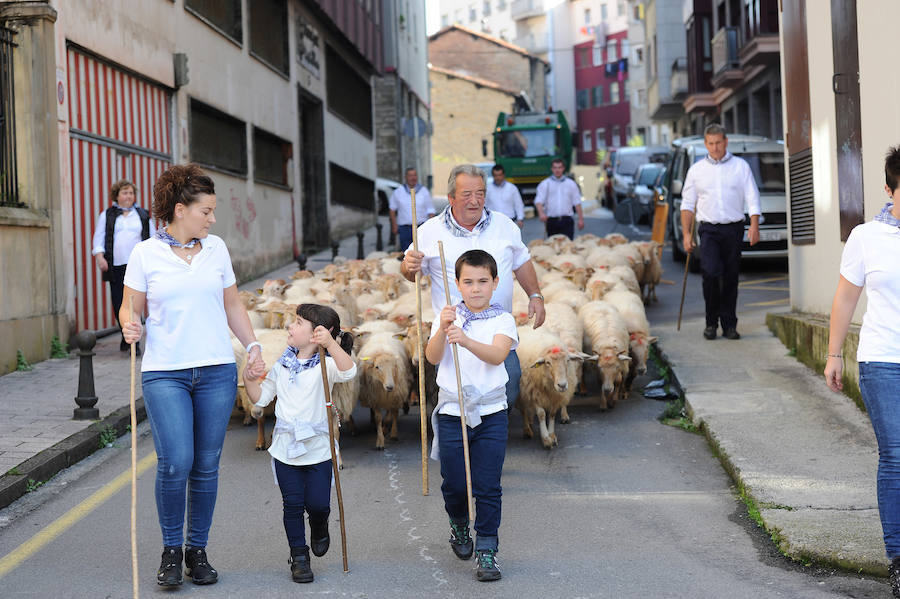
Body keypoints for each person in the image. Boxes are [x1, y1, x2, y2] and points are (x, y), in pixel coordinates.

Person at [120, 163, 265, 588]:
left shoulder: (216, 249)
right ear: (181, 209)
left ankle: (196, 551)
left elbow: (232, 305)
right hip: (165, 372)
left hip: (217, 370)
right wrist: (130, 323)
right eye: (207, 210)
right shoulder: (145, 253)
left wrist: (253, 346)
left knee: (206, 465)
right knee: (175, 461)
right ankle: (170, 551)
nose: (213, 218)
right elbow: (131, 307)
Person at [400, 163, 546, 410]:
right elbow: (410, 273)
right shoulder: (428, 231)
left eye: (480, 193)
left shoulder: (504, 225)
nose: (474, 201)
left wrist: (535, 295)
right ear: (451, 197)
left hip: (497, 330)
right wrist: (408, 265)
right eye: (466, 194)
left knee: (507, 388)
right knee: (455, 396)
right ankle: (464, 435)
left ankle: (488, 431)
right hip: (453, 332)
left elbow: (521, 262)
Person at [825, 145, 900, 598]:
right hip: (883, 360)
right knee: (896, 454)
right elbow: (845, 298)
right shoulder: (866, 237)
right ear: (889, 190)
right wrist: (834, 354)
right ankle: (898, 558)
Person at [242, 304, 356, 584]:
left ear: (318, 332)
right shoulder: (282, 365)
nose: (289, 327)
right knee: (292, 505)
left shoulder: (328, 365)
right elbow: (261, 398)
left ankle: (319, 523)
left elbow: (350, 371)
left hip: (318, 450)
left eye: (298, 322)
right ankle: (299, 556)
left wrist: (330, 344)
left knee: (317, 504)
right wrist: (248, 378)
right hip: (285, 449)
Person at [424, 250, 517, 582]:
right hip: (452, 412)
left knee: (488, 485)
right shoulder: (446, 316)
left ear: (495, 283)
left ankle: (487, 550)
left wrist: (464, 339)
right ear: (458, 284)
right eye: (468, 282)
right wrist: (443, 330)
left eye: (482, 281)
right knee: (454, 481)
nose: (475, 288)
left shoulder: (502, 319)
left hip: (492, 412)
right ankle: (459, 524)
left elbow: (497, 355)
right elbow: (432, 357)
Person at [680, 123, 760, 341]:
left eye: (718, 143)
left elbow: (752, 197)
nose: (715, 147)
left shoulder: (740, 166)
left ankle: (729, 324)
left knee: (731, 277)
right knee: (712, 274)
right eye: (711, 143)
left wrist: (754, 225)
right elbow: (687, 204)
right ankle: (710, 322)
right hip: (708, 230)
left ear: (726, 142)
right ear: (706, 144)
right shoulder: (696, 170)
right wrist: (686, 234)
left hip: (733, 228)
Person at [91, 179, 155, 354]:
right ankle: (125, 335)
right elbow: (99, 238)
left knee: (136, 303)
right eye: (125, 193)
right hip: (116, 266)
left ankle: (135, 343)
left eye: (131, 193)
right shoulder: (107, 215)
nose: (129, 196)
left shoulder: (143, 214)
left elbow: (153, 239)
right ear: (117, 196)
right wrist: (100, 257)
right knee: (119, 303)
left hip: (137, 266)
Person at [534, 158, 585, 239]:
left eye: (559, 167)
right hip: (551, 221)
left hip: (567, 221)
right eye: (555, 167)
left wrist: (581, 220)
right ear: (551, 169)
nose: (557, 170)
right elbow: (538, 201)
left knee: (567, 247)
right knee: (553, 247)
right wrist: (541, 213)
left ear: (563, 168)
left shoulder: (571, 184)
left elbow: (577, 203)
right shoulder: (545, 184)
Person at [389, 167, 435, 251]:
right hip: (404, 229)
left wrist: (432, 227)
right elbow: (392, 209)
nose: (413, 178)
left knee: (422, 252)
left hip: (421, 228)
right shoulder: (399, 191)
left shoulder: (424, 191)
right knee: (406, 254)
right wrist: (394, 226)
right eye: (410, 175)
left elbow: (430, 210)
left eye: (415, 175)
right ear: (405, 177)